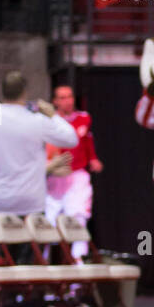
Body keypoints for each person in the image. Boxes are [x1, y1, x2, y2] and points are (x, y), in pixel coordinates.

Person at [0, 72, 78, 218]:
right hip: (30, 203)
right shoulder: (38, 121)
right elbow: (71, 139)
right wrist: (53, 115)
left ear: (2, 92)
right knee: (30, 241)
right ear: (25, 92)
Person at [43, 84, 101, 260]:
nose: (67, 101)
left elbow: (87, 140)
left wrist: (93, 158)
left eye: (69, 96)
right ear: (54, 101)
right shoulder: (49, 123)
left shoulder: (84, 118)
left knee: (77, 220)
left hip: (77, 176)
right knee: (47, 225)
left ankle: (79, 269)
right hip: (54, 177)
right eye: (62, 97)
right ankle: (42, 266)